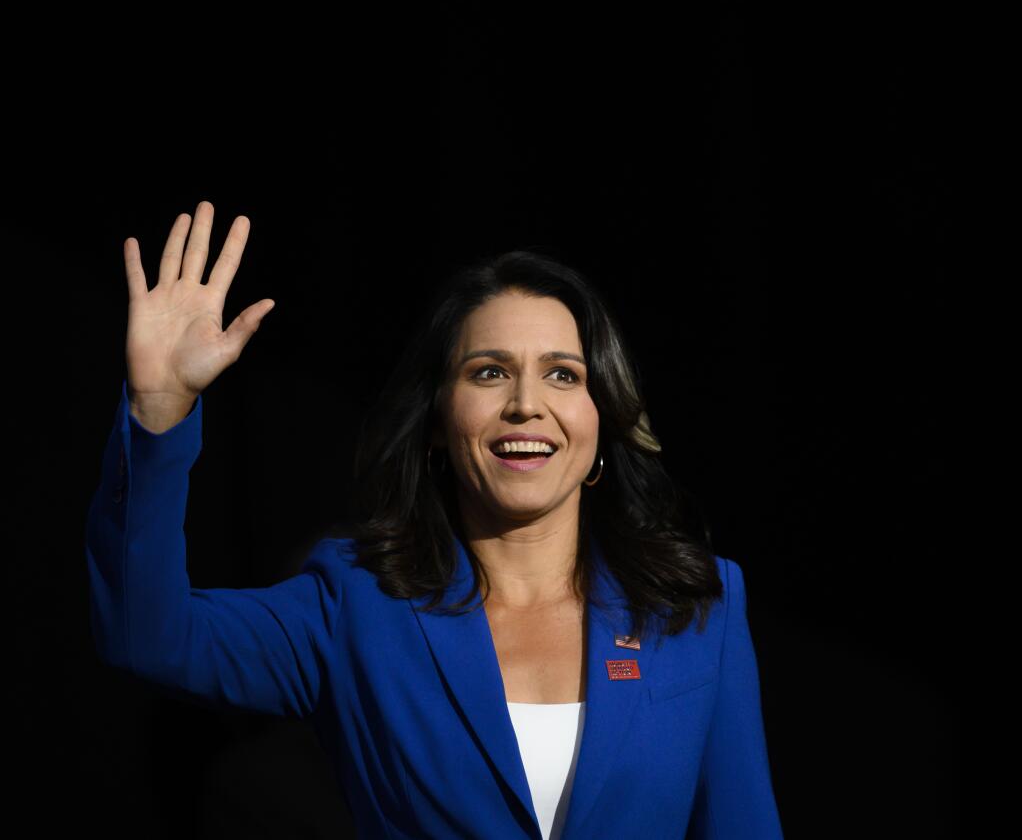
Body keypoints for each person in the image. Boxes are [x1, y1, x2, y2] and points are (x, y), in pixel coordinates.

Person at [86, 201, 784, 839]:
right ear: (437, 426)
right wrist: (159, 410)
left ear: (602, 420)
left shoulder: (696, 610)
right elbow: (144, 634)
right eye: (488, 372)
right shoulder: (355, 602)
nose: (525, 403)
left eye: (563, 374)